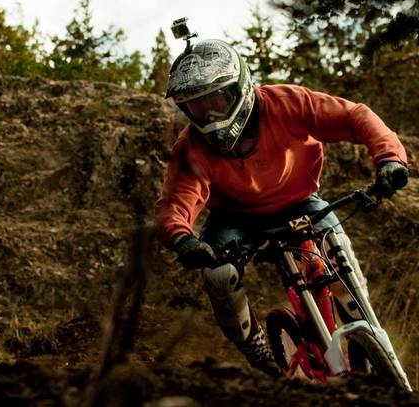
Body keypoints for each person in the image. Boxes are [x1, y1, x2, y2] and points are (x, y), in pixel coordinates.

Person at [154, 38, 409, 377]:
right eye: (198, 108)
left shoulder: (286, 103)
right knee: (218, 274)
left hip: (299, 202)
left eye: (218, 101)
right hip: (235, 219)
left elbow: (354, 116)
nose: (211, 117)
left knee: (341, 257)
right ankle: (253, 345)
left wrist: (389, 158)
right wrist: (182, 238)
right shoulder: (192, 147)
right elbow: (176, 202)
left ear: (240, 85)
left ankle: (370, 337)